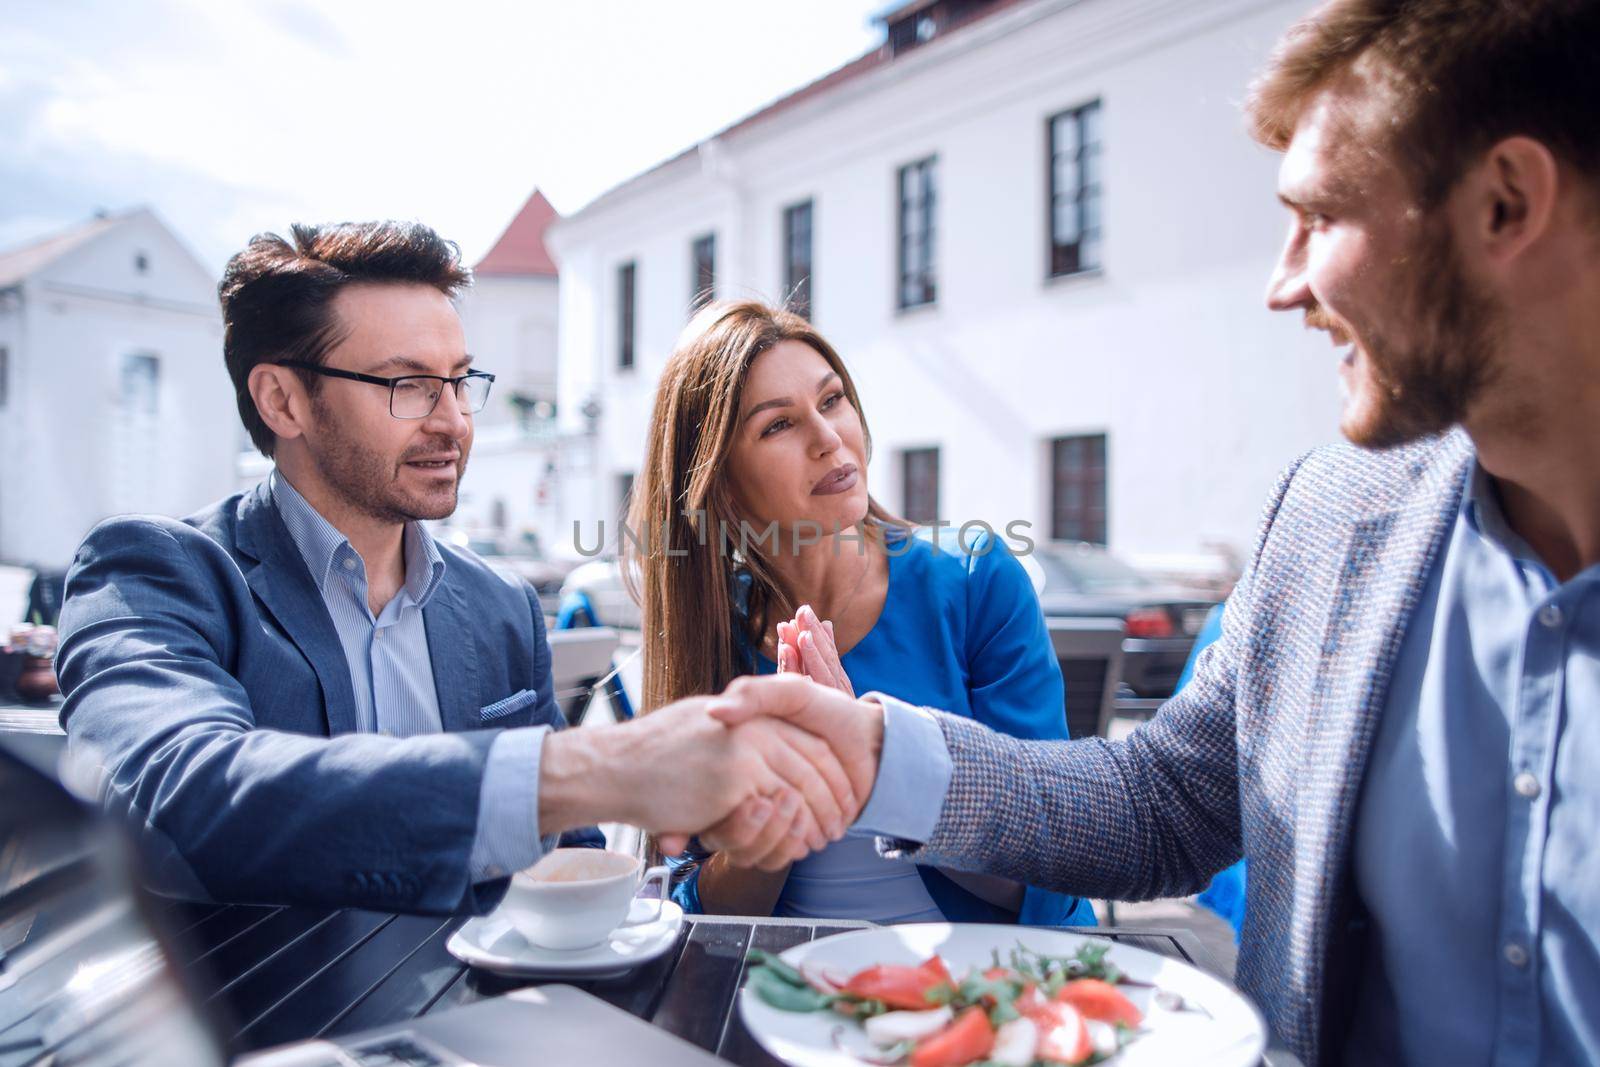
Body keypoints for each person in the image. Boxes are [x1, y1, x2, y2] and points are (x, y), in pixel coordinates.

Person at [702, 2, 1600, 1063]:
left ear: (1506, 202)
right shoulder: (1322, 523)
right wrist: (878, 754)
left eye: (1320, 216)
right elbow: (1162, 801)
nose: (1284, 282)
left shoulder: (969, 574)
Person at [55, 221, 857, 914]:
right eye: (407, 384)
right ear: (282, 401)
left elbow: (568, 862)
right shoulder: (153, 573)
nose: (453, 422)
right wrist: (606, 764)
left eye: (458, 381)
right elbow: (185, 793)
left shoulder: (498, 603)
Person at [626, 300, 1092, 926]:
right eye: (777, 426)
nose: (827, 438)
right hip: (793, 994)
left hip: (996, 991)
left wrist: (876, 766)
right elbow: (688, 905)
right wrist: (780, 809)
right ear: (723, 486)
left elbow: (1053, 868)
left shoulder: (974, 580)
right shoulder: (712, 630)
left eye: (832, 399)